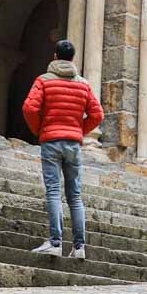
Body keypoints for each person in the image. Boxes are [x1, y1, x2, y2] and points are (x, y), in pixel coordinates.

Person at [22, 39, 103, 260]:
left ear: (55, 56)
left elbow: (29, 107)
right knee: (75, 196)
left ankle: (55, 243)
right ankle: (79, 248)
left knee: (54, 192)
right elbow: (97, 115)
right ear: (73, 58)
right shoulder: (83, 84)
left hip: (51, 141)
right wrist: (78, 130)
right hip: (73, 144)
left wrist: (40, 129)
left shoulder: (44, 81)